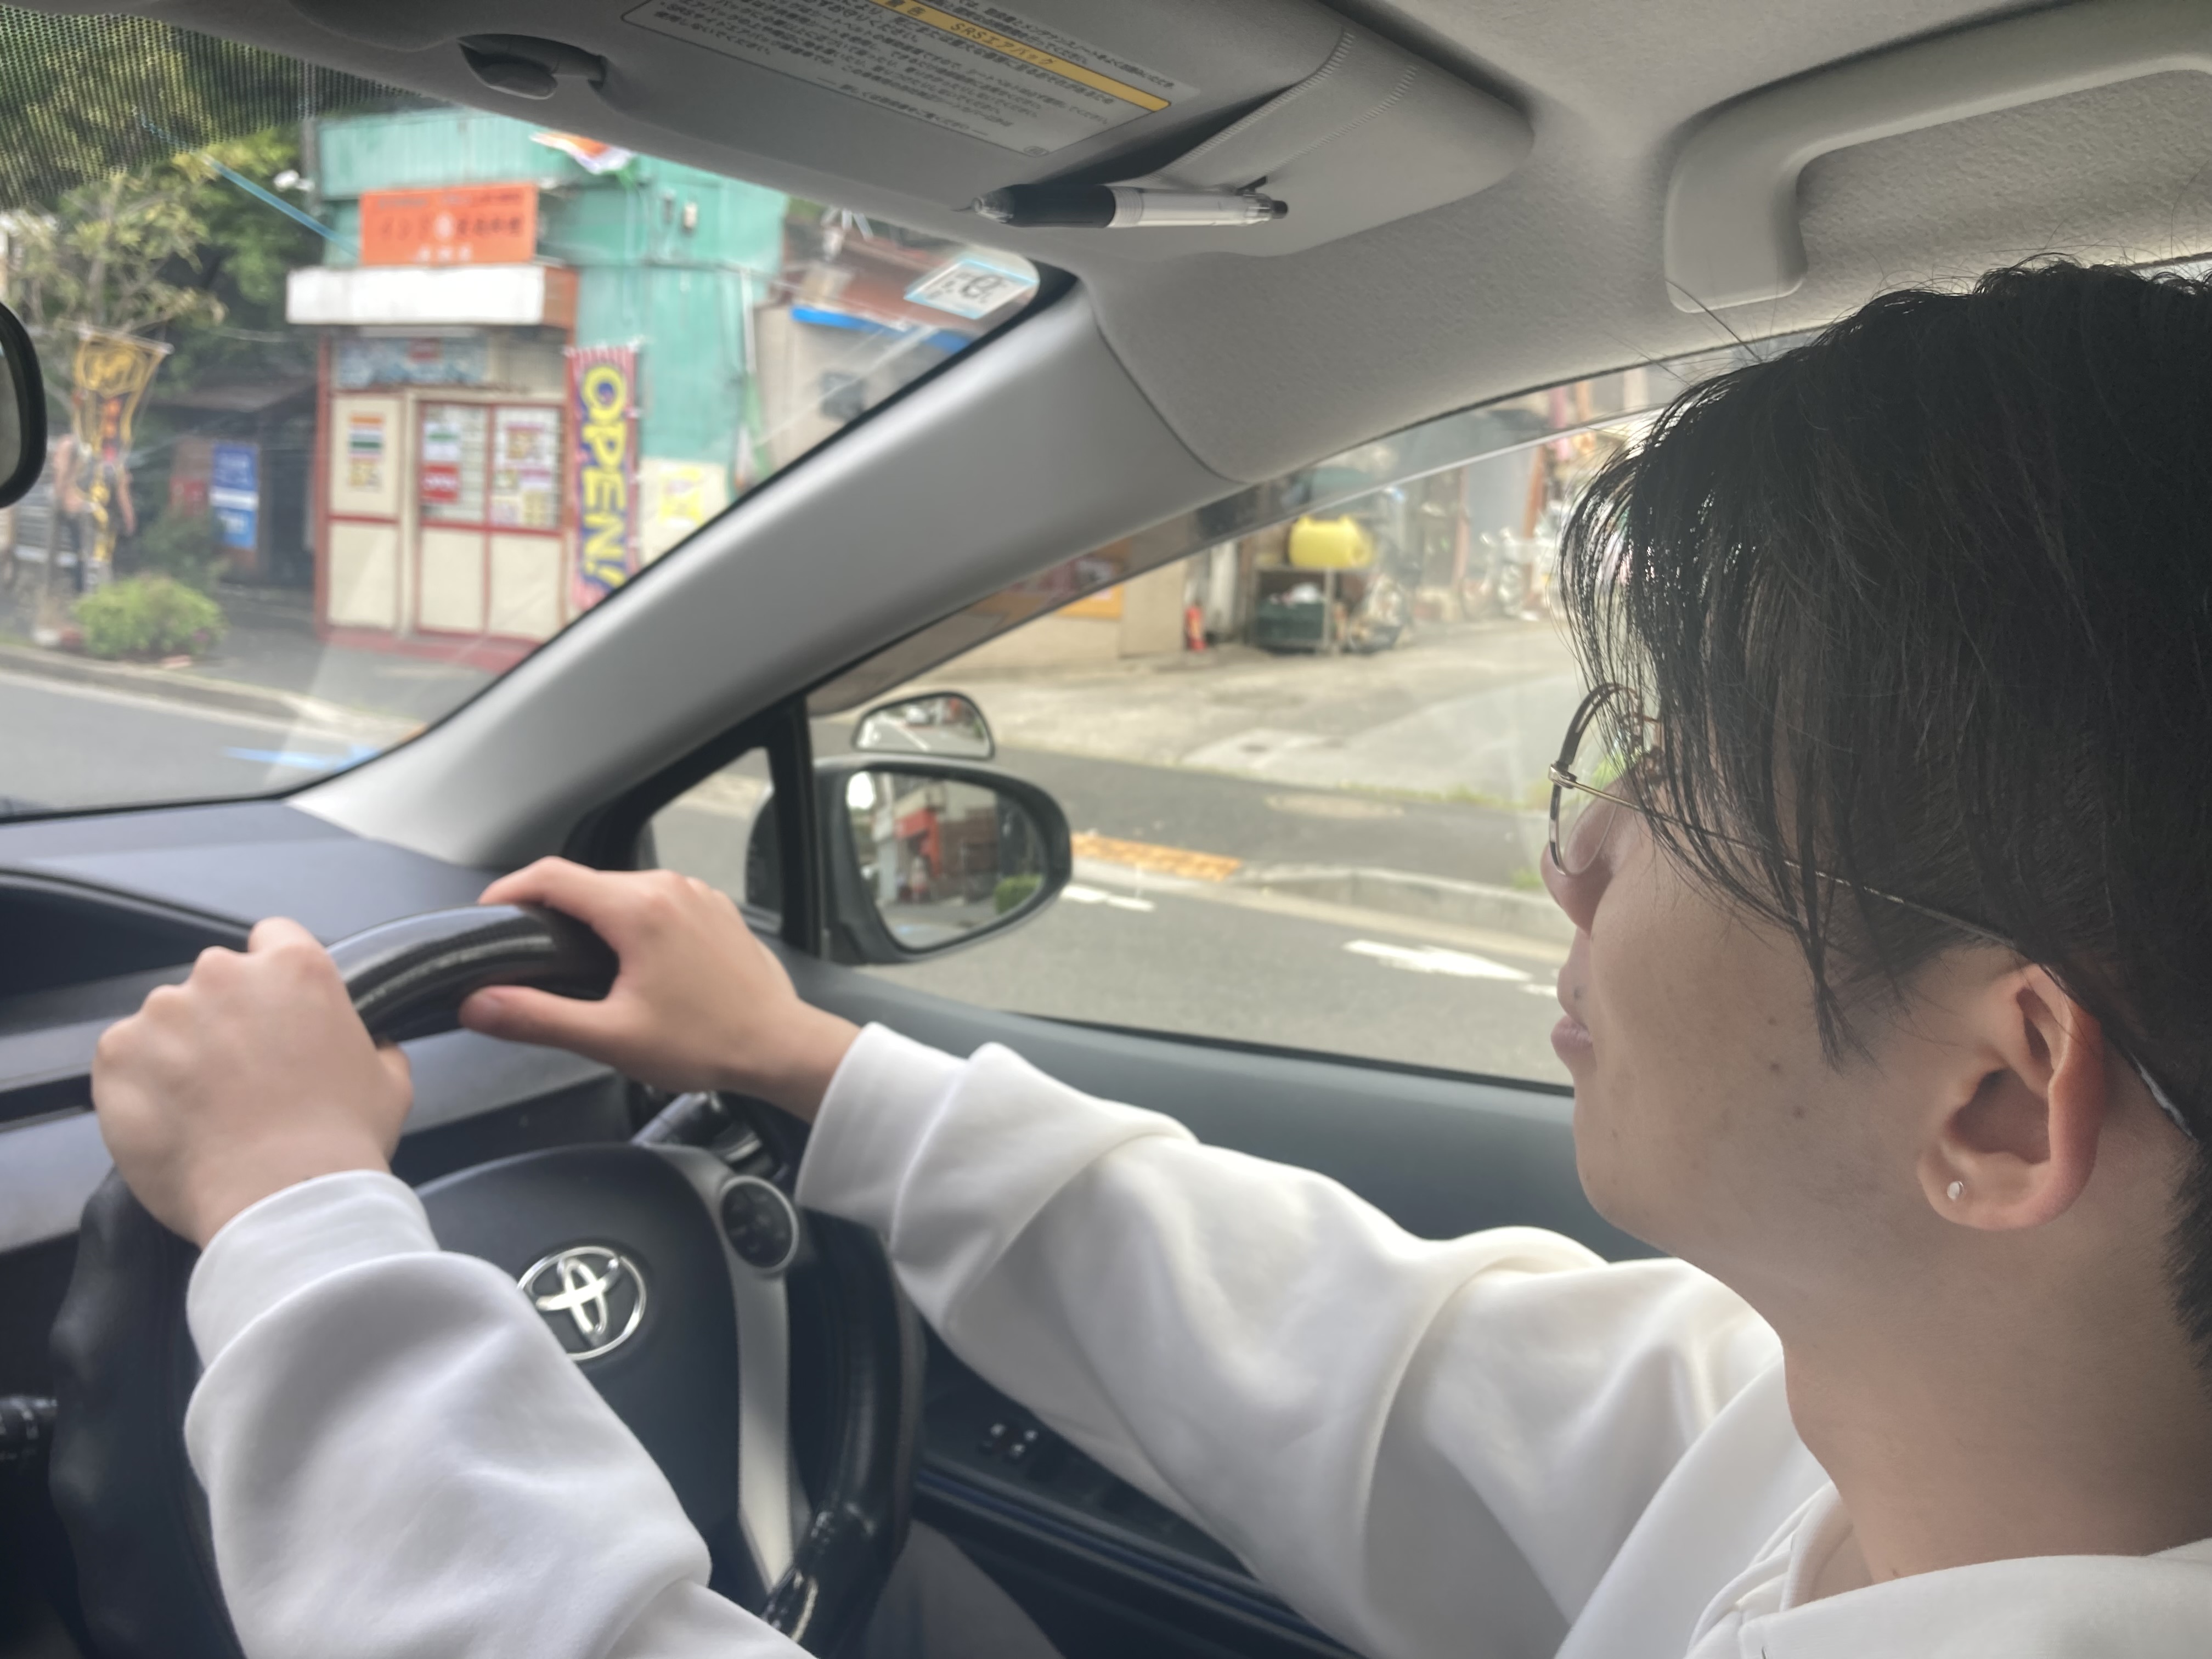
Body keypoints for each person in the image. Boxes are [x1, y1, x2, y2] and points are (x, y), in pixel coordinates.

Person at [91, 261, 2212, 1658]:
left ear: (1997, 1098)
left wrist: (302, 1232)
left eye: (1678, 788)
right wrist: (821, 1067)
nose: (1580, 851)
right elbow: (1386, 1371)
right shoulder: (1905, 1453)